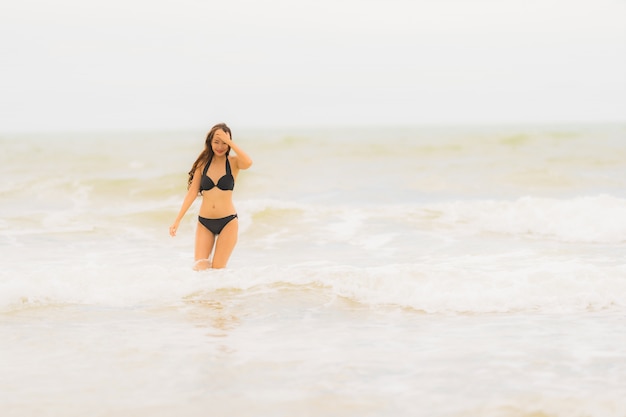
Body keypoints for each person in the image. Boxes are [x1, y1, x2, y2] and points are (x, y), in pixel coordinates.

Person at [169, 123, 253, 270]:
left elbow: (248, 162)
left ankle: (222, 293)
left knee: (218, 269)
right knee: (199, 269)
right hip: (205, 222)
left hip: (228, 222)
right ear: (210, 142)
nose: (220, 146)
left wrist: (230, 142)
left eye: (224, 143)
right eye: (216, 142)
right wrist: (177, 220)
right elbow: (192, 192)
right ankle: (205, 294)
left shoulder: (233, 163)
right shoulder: (203, 163)